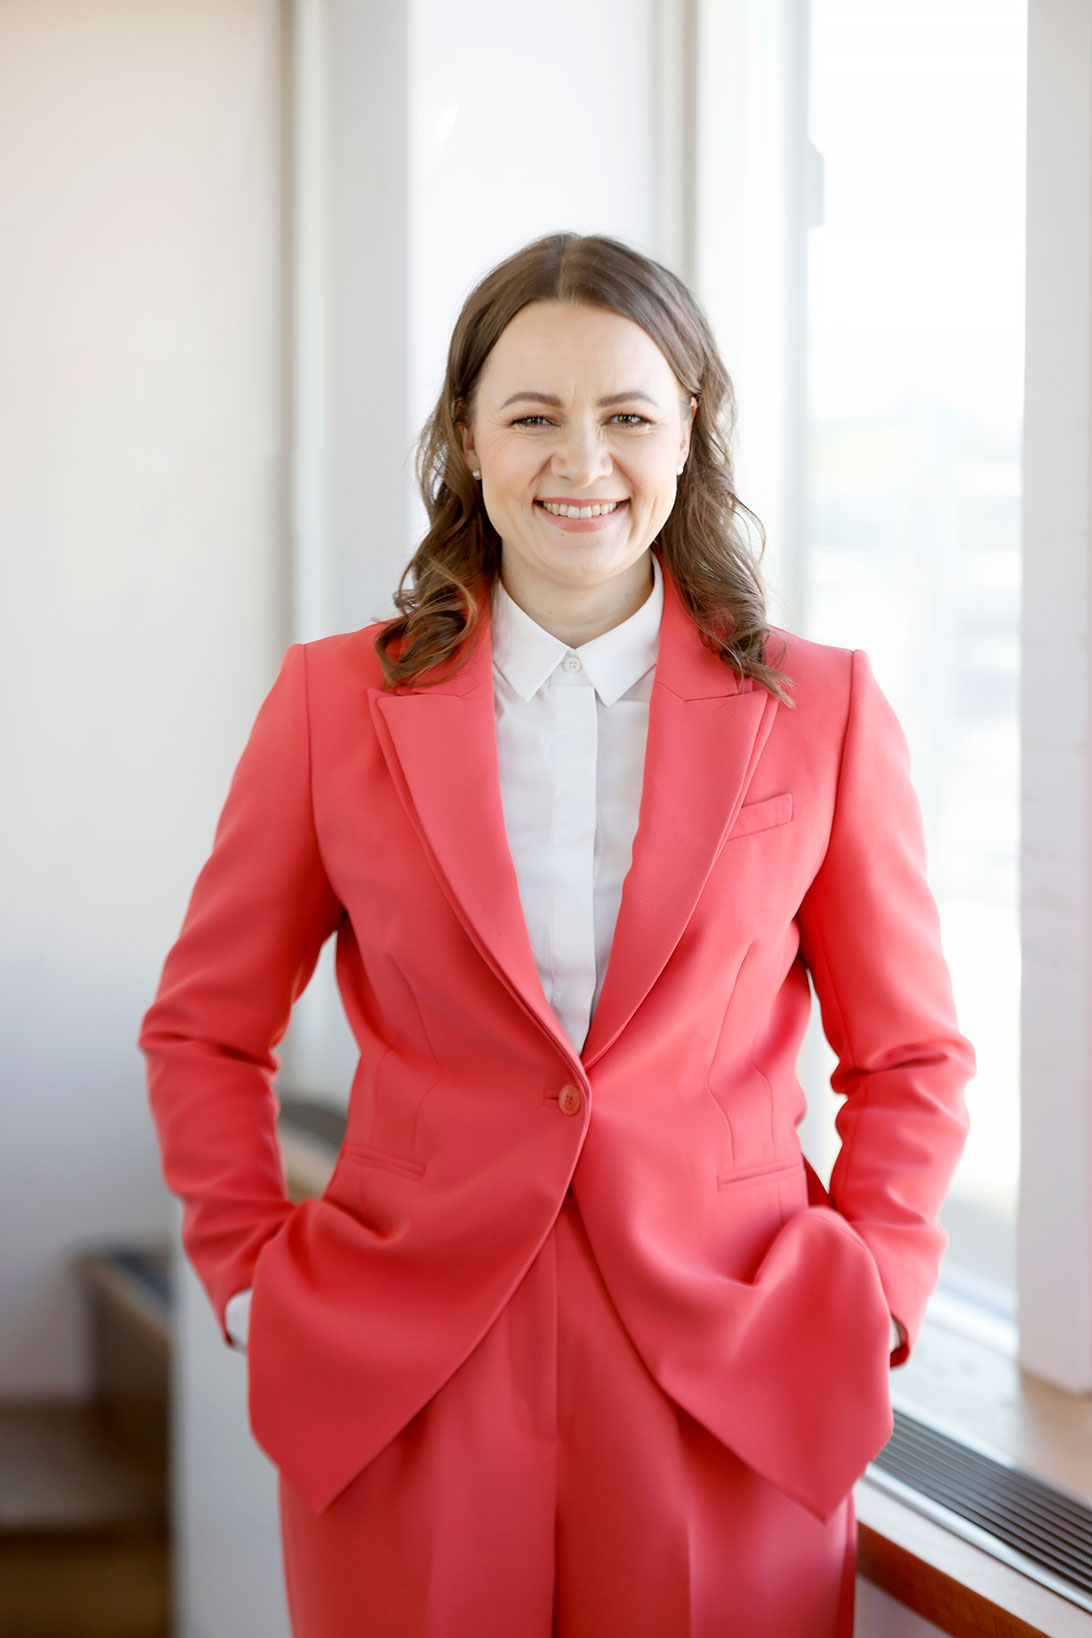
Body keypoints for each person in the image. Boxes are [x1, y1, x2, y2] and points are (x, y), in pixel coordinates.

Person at [138, 230, 975, 1638]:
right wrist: (247, 1277)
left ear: (688, 432)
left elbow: (911, 1055)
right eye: (532, 416)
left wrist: (877, 1286)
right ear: (467, 439)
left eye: (628, 416)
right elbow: (205, 1029)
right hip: (409, 1362)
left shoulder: (822, 711)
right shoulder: (331, 705)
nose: (582, 460)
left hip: (736, 1359)